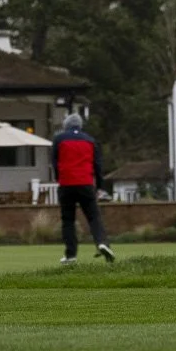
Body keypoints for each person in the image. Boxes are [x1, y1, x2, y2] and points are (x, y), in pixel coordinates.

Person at [52, 113, 114, 264]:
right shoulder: (90, 140)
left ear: (66, 125)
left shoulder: (59, 139)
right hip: (86, 183)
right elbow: (97, 166)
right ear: (80, 126)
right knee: (94, 217)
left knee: (68, 220)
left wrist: (59, 178)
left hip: (66, 184)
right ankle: (102, 243)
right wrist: (100, 186)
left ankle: (71, 255)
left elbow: (55, 162)